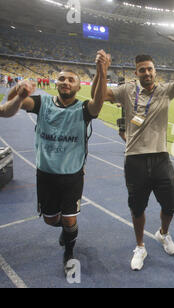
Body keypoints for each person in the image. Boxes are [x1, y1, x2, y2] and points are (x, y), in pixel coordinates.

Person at [91, 42, 174, 271]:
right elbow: (100, 96)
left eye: (150, 69)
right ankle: (140, 246)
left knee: (171, 202)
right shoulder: (126, 90)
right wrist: (101, 71)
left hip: (161, 157)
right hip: (135, 159)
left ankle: (163, 234)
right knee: (137, 207)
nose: (147, 73)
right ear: (136, 72)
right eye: (142, 69)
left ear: (155, 71)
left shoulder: (166, 90)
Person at [0, 50, 110, 274]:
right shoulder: (42, 103)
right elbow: (8, 108)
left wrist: (102, 70)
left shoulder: (83, 109)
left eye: (71, 80)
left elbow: (98, 101)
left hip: (72, 175)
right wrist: (20, 93)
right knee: (51, 220)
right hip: (46, 174)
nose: (66, 82)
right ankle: (69, 231)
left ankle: (69, 249)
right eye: (62, 78)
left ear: (78, 87)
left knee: (69, 221)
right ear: (56, 83)